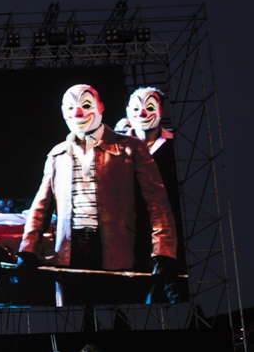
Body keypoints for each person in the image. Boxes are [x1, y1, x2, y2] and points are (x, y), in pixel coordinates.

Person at [16, 85, 177, 306]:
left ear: (100, 107)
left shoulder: (131, 148)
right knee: (72, 323)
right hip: (69, 255)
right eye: (71, 107)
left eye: (86, 105)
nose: (78, 113)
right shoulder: (58, 154)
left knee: (120, 320)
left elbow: (157, 204)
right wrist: (28, 248)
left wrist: (163, 252)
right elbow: (41, 206)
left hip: (117, 254)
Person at [122, 87, 183, 304]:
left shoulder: (176, 146)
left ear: (161, 110)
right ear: (128, 111)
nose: (143, 113)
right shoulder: (116, 147)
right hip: (130, 233)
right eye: (137, 108)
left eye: (149, 107)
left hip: (167, 232)